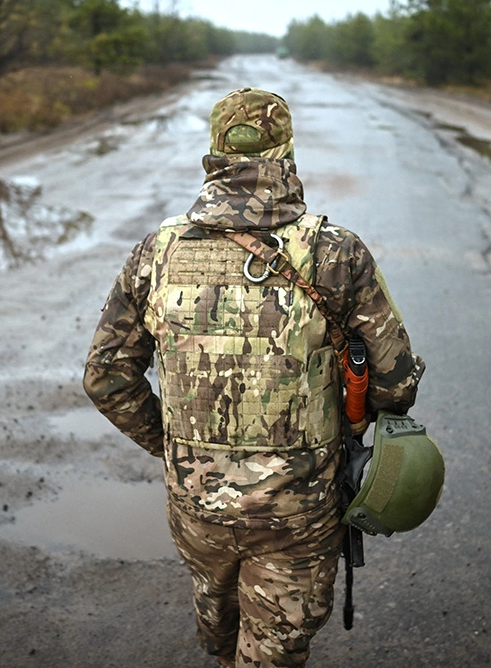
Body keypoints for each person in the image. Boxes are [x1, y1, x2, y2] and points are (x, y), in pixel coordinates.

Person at [83, 87, 424, 667]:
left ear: (214, 153)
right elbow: (394, 381)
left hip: (198, 509)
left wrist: (174, 449)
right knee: (272, 650)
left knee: (218, 625)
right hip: (300, 512)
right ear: (287, 152)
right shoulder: (335, 253)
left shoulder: (157, 251)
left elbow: (106, 378)